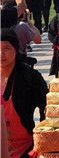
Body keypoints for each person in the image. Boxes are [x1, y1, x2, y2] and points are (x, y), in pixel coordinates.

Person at [0, 28, 48, 158]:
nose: (1, 53)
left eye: (6, 48)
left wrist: (43, 140)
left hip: (26, 149)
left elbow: (47, 108)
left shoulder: (30, 77)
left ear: (16, 49)